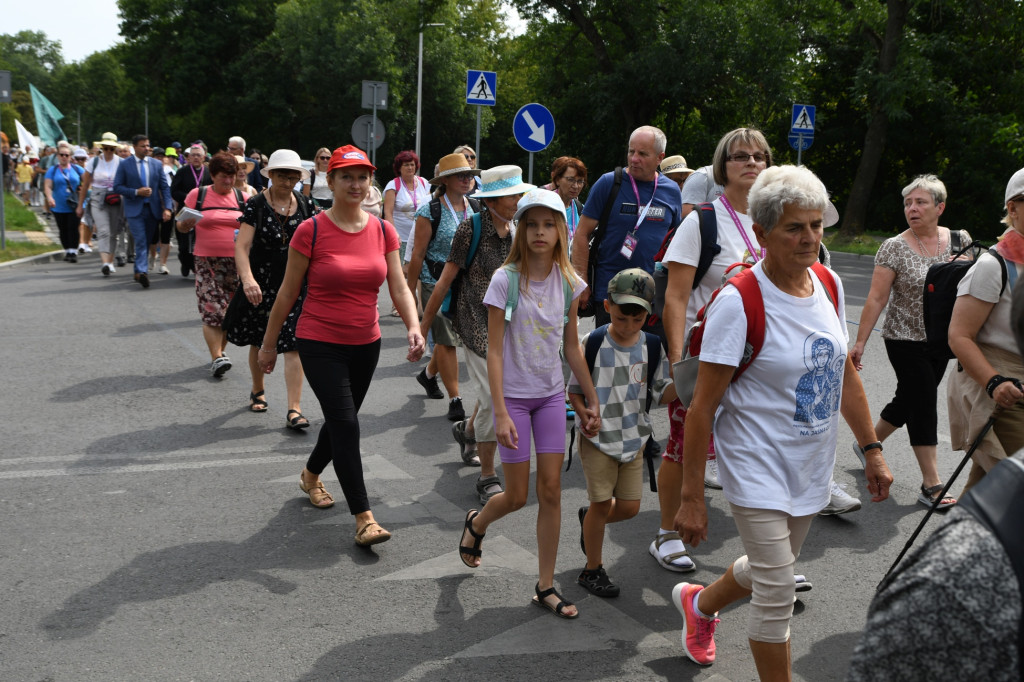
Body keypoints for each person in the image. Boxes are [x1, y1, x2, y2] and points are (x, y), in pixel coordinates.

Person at [671, 165, 893, 677]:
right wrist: (691, 497)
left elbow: (842, 375)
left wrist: (873, 450)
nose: (810, 238)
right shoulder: (740, 301)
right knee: (776, 595)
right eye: (795, 227)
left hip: (809, 463)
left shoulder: (830, 284)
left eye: (816, 225)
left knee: (769, 569)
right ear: (763, 232)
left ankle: (700, 606)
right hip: (755, 466)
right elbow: (700, 407)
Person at [257, 145, 424, 544]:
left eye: (362, 176)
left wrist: (415, 326)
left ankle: (310, 475)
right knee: (347, 423)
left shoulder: (383, 230)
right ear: (329, 181)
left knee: (339, 422)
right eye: (346, 176)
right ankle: (364, 517)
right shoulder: (311, 229)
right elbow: (286, 293)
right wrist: (267, 346)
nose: (355, 183)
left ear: (370, 183)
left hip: (366, 343)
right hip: (319, 340)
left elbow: (398, 286)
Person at [458, 188, 599, 620]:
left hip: (551, 397)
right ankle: (477, 523)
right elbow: (494, 351)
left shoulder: (571, 282)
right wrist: (499, 411)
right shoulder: (506, 280)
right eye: (532, 224)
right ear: (522, 229)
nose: (540, 232)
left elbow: (572, 345)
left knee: (552, 490)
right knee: (517, 496)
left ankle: (545, 585)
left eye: (549, 224)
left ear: (561, 230)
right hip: (514, 401)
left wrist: (591, 398)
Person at [655, 128, 777, 571]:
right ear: (722, 166)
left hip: (760, 359)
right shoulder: (703, 220)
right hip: (705, 355)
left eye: (758, 157)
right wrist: (675, 362)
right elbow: (676, 297)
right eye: (739, 156)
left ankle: (771, 554)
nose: (750, 163)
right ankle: (667, 532)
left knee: (759, 449)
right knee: (682, 443)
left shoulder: (778, 217)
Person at [850, 174, 970, 509]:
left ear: (940, 207)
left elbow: (972, 293)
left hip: (943, 340)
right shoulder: (894, 247)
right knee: (922, 400)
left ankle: (866, 444)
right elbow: (875, 298)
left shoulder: (960, 240)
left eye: (920, 202)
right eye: (907, 203)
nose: (912, 209)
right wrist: (860, 342)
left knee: (908, 398)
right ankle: (931, 483)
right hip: (903, 337)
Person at [419, 165, 534, 504]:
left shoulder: (518, 230)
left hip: (507, 323)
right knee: (493, 395)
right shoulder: (471, 229)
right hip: (473, 322)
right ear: (495, 199)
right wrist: (421, 329)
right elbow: (444, 282)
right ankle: (487, 476)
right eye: (514, 195)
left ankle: (467, 432)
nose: (518, 201)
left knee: (490, 394)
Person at [570, 268, 676, 598]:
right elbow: (573, 389)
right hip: (597, 439)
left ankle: (591, 520)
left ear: (649, 315)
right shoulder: (593, 342)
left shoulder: (655, 347)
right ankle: (592, 569)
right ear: (607, 305)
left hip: (635, 438)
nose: (628, 326)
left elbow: (662, 392)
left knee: (629, 507)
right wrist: (584, 410)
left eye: (637, 319)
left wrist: (690, 384)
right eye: (620, 317)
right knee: (602, 503)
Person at [946, 167, 1024, 496]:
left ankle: (956, 544)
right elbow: (959, 335)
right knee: (1012, 485)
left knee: (988, 487)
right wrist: (994, 382)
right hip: (1001, 390)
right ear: (1013, 208)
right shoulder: (993, 266)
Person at [229, 149, 316, 428]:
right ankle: (258, 388)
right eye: (282, 175)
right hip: (261, 283)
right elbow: (241, 247)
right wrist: (248, 279)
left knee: (293, 344)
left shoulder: (305, 204)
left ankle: (294, 408)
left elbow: (315, 245)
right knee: (260, 339)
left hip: (294, 283)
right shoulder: (255, 204)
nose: (287, 181)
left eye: (293, 176)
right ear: (272, 175)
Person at [571, 125, 682, 332]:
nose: (634, 159)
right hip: (611, 291)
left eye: (642, 153)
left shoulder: (671, 191)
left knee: (649, 358)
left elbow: (675, 242)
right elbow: (581, 234)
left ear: (660, 157)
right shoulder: (609, 183)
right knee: (610, 359)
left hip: (653, 295)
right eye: (631, 151)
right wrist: (581, 283)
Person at [408, 153, 480, 421]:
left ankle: (428, 376)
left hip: (466, 283)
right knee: (447, 339)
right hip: (433, 280)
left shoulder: (475, 207)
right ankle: (455, 399)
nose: (467, 180)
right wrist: (410, 293)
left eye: (470, 175)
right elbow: (417, 254)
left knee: (448, 338)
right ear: (446, 180)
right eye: (461, 175)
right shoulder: (430, 210)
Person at [177, 152, 250, 376]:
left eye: (232, 176)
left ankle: (218, 353)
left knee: (230, 314)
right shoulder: (197, 195)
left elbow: (251, 230)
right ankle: (217, 357)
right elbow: (180, 226)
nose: (228, 181)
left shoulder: (242, 198)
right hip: (207, 261)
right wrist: (186, 225)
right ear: (213, 175)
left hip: (237, 262)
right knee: (211, 310)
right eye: (223, 177)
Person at [113, 134, 173, 288]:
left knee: (146, 241)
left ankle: (138, 271)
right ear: (134, 147)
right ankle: (142, 271)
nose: (146, 148)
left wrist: (167, 208)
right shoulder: (125, 164)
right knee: (140, 239)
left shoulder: (156, 164)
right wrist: (136, 192)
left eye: (148, 145)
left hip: (152, 210)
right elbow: (117, 187)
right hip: (134, 209)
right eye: (143, 146)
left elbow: (164, 187)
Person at [75, 132, 123, 276]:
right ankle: (104, 263)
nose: (108, 151)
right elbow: (85, 186)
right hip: (98, 198)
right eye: (106, 148)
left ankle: (110, 261)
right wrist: (80, 205)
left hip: (115, 198)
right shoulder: (93, 162)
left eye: (111, 148)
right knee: (103, 231)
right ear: (102, 147)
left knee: (114, 232)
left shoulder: (121, 162)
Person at [170, 144, 213, 276]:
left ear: (203, 157)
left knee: (199, 242)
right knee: (183, 245)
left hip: (203, 212)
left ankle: (196, 267)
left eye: (198, 155)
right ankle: (185, 262)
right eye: (192, 155)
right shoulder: (182, 171)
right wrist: (189, 197)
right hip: (186, 210)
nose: (195, 157)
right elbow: (174, 191)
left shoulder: (208, 172)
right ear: (188, 157)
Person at [382, 150, 430, 263]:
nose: (410, 167)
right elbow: (388, 212)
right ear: (399, 168)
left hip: (420, 237)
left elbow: (429, 208)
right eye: (406, 165)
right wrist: (394, 234)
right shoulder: (393, 185)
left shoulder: (424, 183)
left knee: (418, 272)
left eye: (412, 164)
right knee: (401, 271)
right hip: (401, 238)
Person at [43, 143, 85, 263]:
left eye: (66, 155)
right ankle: (67, 250)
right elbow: (48, 185)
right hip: (58, 205)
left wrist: (84, 192)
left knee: (73, 228)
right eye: (61, 155)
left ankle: (73, 251)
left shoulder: (77, 169)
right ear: (57, 156)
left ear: (71, 156)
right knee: (63, 229)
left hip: (74, 204)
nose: (64, 157)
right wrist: (50, 197)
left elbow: (88, 182)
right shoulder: (53, 170)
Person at [549, 156, 587, 244]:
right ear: (558, 180)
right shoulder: (545, 205)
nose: (576, 186)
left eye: (580, 181)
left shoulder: (581, 209)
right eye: (571, 180)